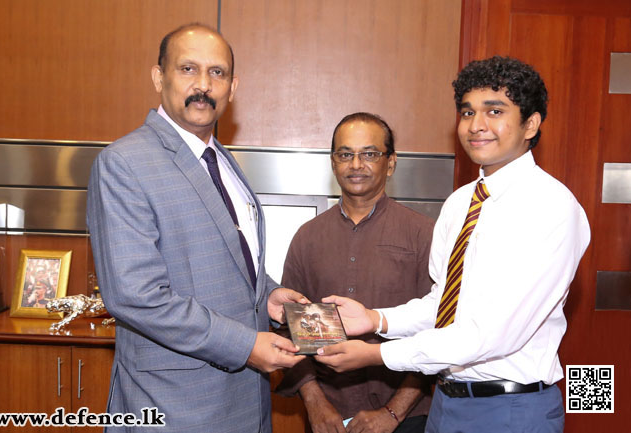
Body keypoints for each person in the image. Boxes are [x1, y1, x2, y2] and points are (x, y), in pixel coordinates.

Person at [315, 57, 591, 433]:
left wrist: (377, 354)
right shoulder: (460, 202)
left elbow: (490, 335)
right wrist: (376, 319)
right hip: (446, 403)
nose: (476, 125)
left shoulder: (552, 209)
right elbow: (444, 305)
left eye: (495, 111)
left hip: (510, 409)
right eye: (467, 111)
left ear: (531, 124)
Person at [87, 23, 306, 433]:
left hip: (245, 401)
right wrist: (245, 345)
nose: (203, 85)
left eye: (217, 73)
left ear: (233, 86)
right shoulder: (124, 163)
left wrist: (269, 292)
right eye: (188, 69)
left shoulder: (221, 159)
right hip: (175, 407)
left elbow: (226, 259)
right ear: (159, 77)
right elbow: (136, 297)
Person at [276, 113, 434, 433]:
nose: (356, 164)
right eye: (345, 154)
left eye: (369, 154)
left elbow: (438, 332)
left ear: (390, 164)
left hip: (408, 416)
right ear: (333, 163)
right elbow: (294, 330)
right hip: (329, 417)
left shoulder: (423, 234)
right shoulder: (309, 238)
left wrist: (392, 413)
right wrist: (316, 403)